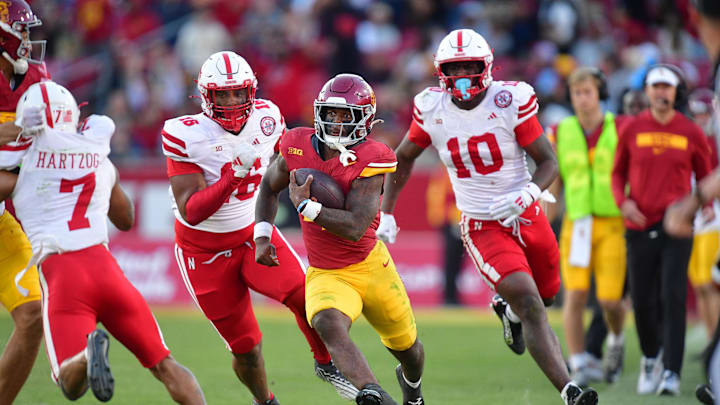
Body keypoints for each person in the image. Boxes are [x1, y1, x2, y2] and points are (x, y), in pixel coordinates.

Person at [377, 28, 597, 405]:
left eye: (469, 66)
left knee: (545, 297)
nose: (462, 75)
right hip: (480, 224)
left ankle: (507, 311)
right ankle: (569, 390)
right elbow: (405, 157)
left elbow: (548, 161)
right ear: (441, 71)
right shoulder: (432, 108)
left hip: (526, 213)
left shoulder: (510, 99)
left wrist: (527, 192)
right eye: (454, 67)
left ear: (486, 66)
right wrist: (386, 213)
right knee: (530, 303)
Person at [162, 51, 355, 405]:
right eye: (223, 94)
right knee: (247, 347)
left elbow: (289, 164)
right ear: (207, 95)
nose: (233, 101)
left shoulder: (267, 116)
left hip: (254, 233)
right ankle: (264, 401)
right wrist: (230, 177)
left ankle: (326, 363)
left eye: (239, 92)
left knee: (306, 296)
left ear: (251, 91)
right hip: (203, 252)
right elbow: (191, 211)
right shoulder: (185, 134)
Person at [0, 81, 206, 404]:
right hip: (107, 269)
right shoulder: (98, 157)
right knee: (166, 364)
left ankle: (85, 356)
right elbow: (126, 219)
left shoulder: (23, 166)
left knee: (71, 384)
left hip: (63, 275)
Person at [255, 73, 425, 405]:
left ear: (365, 119)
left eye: (345, 115)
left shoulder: (374, 156)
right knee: (326, 322)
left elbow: (355, 227)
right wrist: (262, 235)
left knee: (409, 350)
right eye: (331, 114)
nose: (336, 122)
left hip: (370, 266)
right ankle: (372, 393)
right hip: (327, 272)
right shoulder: (296, 144)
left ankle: (413, 390)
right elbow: (268, 186)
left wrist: (307, 206)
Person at [612, 63, 712, 396]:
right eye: (655, 86)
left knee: (672, 296)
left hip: (677, 228)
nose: (660, 92)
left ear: (676, 92)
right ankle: (651, 357)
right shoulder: (632, 127)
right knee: (641, 300)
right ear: (648, 91)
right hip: (638, 223)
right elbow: (616, 173)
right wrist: (622, 202)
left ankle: (671, 371)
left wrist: (698, 207)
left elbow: (707, 175)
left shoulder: (690, 131)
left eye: (666, 87)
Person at [546, 67, 627, 386]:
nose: (582, 99)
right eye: (576, 93)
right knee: (575, 293)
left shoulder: (619, 128)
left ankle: (617, 340)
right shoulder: (561, 131)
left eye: (588, 92)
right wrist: (544, 217)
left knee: (609, 299)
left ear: (600, 94)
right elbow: (555, 181)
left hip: (612, 221)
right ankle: (579, 363)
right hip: (577, 221)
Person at [0, 2, 51, 403]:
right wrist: (8, 131)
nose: (29, 41)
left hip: (0, 222)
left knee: (33, 314)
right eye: (22, 30)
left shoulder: (34, 77)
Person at [687, 88, 720, 342]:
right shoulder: (693, 140)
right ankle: (711, 339)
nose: (700, 119)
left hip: (713, 216)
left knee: (710, 282)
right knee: (699, 283)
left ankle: (714, 339)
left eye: (704, 113)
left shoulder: (714, 142)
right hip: (695, 217)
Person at [426, 165, 464, 306]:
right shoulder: (446, 171)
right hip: (453, 221)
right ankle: (449, 297)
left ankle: (452, 296)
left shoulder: (445, 170)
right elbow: (442, 197)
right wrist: (445, 218)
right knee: (452, 260)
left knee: (457, 261)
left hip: (456, 219)